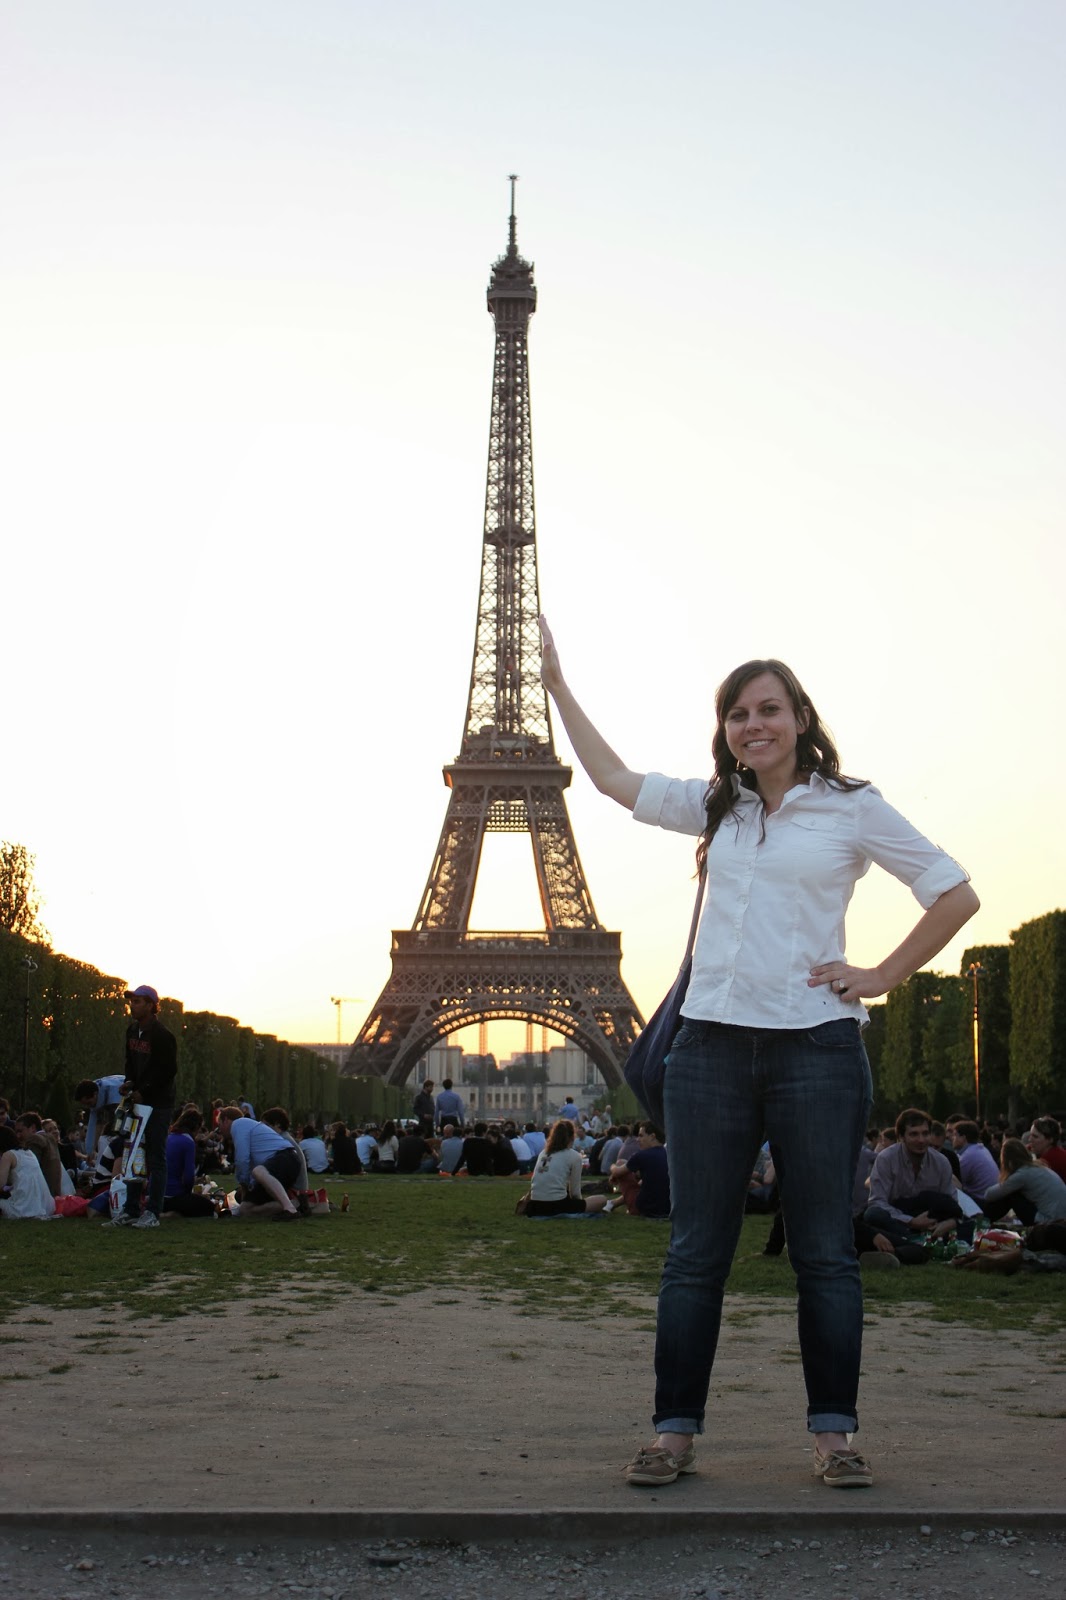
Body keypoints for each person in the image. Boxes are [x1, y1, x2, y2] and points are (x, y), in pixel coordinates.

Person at [539, 618, 979, 1491]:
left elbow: (954, 891)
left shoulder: (854, 809)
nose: (754, 725)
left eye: (769, 708)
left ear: (801, 717)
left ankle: (833, 1437)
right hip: (709, 1050)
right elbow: (612, 779)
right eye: (738, 713)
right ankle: (672, 1433)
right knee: (695, 1253)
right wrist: (555, 687)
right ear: (727, 729)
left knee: (824, 1251)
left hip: (816, 1047)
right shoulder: (717, 806)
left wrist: (883, 972)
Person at [106, 985, 178, 1231]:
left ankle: (152, 1211)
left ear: (150, 1005)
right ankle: (131, 1210)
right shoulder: (132, 1031)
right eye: (132, 1001)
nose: (132, 1005)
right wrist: (129, 1082)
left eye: (137, 1001)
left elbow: (167, 1071)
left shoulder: (162, 1035)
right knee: (133, 1153)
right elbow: (131, 1063)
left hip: (158, 1104)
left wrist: (143, 1090)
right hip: (139, 1101)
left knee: (155, 1157)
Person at [217, 1106, 301, 1219]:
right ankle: (295, 1204)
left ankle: (289, 1209)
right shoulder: (250, 1132)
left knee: (258, 1171)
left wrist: (244, 1184)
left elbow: (242, 1159)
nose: (219, 1130)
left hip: (286, 1157)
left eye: (219, 1125)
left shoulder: (238, 1124)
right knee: (245, 1210)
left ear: (226, 1120)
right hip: (277, 1168)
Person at [524, 1118, 610, 1217]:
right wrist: (580, 1205)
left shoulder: (543, 1153)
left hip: (534, 1205)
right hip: (556, 1205)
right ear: (572, 1136)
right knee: (602, 1199)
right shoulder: (574, 1156)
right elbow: (575, 1193)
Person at [981, 1138, 1066, 1227]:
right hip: (1059, 1218)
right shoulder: (1038, 1167)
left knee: (1011, 1195)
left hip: (1049, 1222)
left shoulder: (1023, 1174)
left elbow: (988, 1195)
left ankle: (983, 1222)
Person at [609, 1123, 671, 1218]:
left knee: (620, 1164)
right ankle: (613, 1203)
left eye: (641, 1136)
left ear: (652, 1137)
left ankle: (619, 1205)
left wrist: (612, 1166)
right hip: (667, 1207)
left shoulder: (641, 1155)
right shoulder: (668, 1154)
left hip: (646, 1208)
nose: (638, 1140)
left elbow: (616, 1172)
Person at [0, 1126, 56, 1220]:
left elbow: (0, 1184)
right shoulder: (29, 1152)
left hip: (22, 1209)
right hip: (46, 1206)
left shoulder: (8, 1155)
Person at [73, 1074, 127, 1161]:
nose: (88, 1107)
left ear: (95, 1094)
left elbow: (111, 1124)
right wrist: (91, 1151)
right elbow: (97, 1124)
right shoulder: (96, 1092)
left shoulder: (114, 1094)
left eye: (89, 1103)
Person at [1029, 1118, 1066, 1182]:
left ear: (1050, 1140)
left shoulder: (1058, 1160)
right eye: (1030, 1135)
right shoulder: (1030, 1149)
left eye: (1035, 1136)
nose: (1030, 1140)